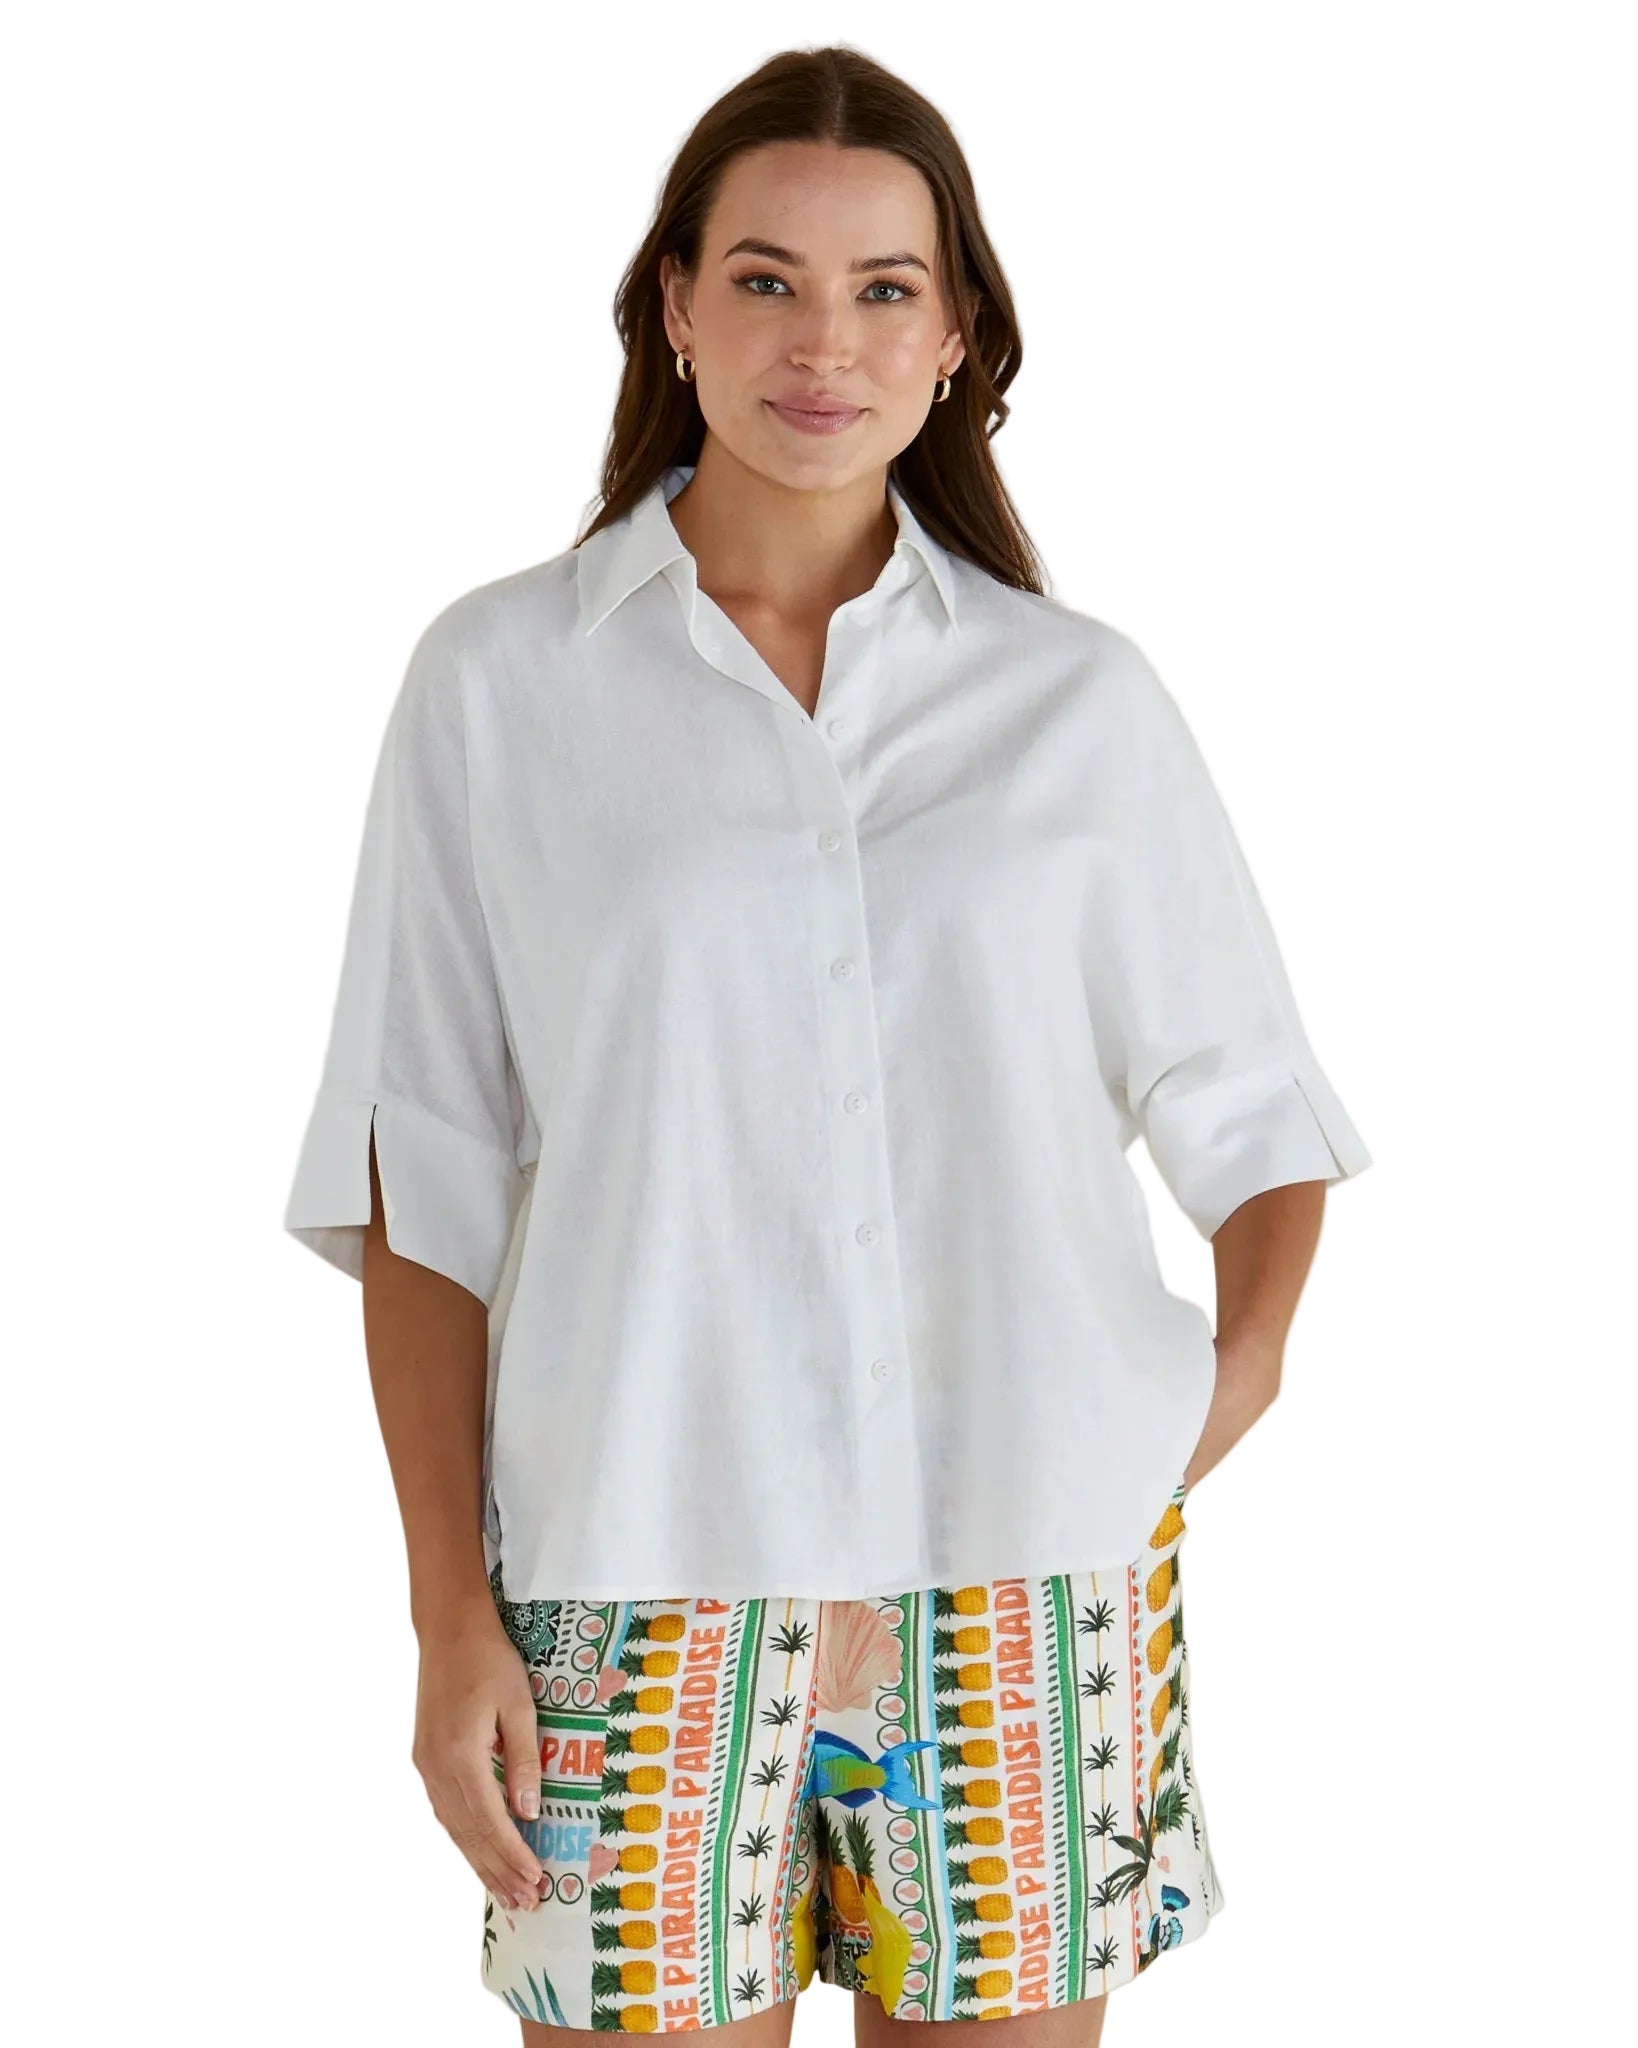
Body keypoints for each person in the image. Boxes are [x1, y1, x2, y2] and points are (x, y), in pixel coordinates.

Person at [284, 44, 1371, 2047]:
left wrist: (1221, 1386)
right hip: (629, 1577)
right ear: (674, 305)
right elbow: (419, 1178)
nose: (824, 342)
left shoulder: (1078, 703)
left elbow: (1253, 1110)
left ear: (957, 336)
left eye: (885, 288)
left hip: (1028, 1572)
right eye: (766, 279)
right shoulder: (499, 687)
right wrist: (447, 1611)